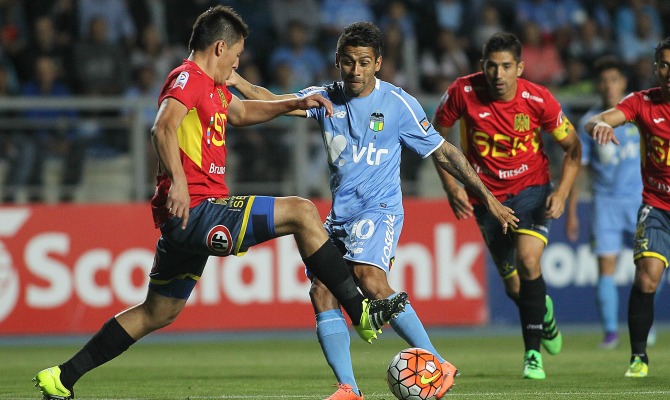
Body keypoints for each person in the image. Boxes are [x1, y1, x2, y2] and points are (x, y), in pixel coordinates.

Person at [32, 7, 408, 400]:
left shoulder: (211, 87)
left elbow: (242, 112)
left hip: (186, 220)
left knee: (158, 312)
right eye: (237, 54)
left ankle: (62, 376)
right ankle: (359, 309)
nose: (237, 63)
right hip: (198, 209)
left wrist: (294, 104)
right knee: (302, 211)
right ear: (220, 46)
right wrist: (177, 181)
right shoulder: (187, 78)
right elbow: (162, 126)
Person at [227, 21, 518, 400]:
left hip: (379, 209)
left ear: (378, 62)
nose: (356, 71)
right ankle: (349, 388)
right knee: (322, 292)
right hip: (340, 217)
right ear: (337, 61)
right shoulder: (325, 98)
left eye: (364, 62)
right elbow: (274, 99)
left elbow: (444, 151)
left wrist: (490, 198)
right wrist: (239, 84)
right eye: (348, 62)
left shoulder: (397, 103)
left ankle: (438, 362)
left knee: (370, 277)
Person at [432, 32, 582, 380]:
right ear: (482, 65)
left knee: (529, 260)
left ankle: (532, 355)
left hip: (531, 189)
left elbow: (573, 148)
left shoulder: (539, 99)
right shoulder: (462, 92)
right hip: (485, 196)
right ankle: (542, 311)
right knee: (515, 286)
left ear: (520, 67)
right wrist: (451, 185)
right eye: (491, 66)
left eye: (505, 67)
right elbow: (435, 136)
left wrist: (560, 194)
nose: (498, 75)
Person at [586, 36, 670, 378]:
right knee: (648, 277)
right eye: (664, 64)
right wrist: (602, 124)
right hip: (656, 206)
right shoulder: (642, 102)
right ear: (656, 69)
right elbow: (597, 120)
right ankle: (639, 357)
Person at [566, 56, 641, 350]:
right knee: (605, 267)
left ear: (624, 83)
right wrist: (572, 212)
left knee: (654, 266)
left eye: (614, 79)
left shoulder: (637, 113)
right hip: (605, 203)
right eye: (604, 80)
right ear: (598, 85)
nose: (609, 85)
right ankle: (610, 332)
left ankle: (640, 321)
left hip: (640, 200)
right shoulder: (589, 123)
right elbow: (578, 169)